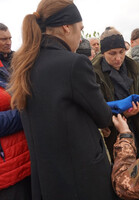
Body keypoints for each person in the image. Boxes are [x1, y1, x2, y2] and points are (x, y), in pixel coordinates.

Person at [8, 1, 116, 199]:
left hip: (47, 180)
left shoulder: (25, 64)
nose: (80, 36)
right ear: (67, 27)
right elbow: (103, 116)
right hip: (82, 179)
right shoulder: (74, 63)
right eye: (80, 29)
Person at [92, 27, 139, 160]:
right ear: (103, 53)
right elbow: (94, 109)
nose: (118, 58)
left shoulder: (134, 68)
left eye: (121, 52)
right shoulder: (93, 74)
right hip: (112, 138)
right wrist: (121, 114)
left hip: (136, 131)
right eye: (112, 53)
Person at [0, 23, 31, 200]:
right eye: (3, 39)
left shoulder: (18, 61)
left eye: (10, 38)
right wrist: (27, 115)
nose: (8, 42)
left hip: (27, 157)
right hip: (7, 168)